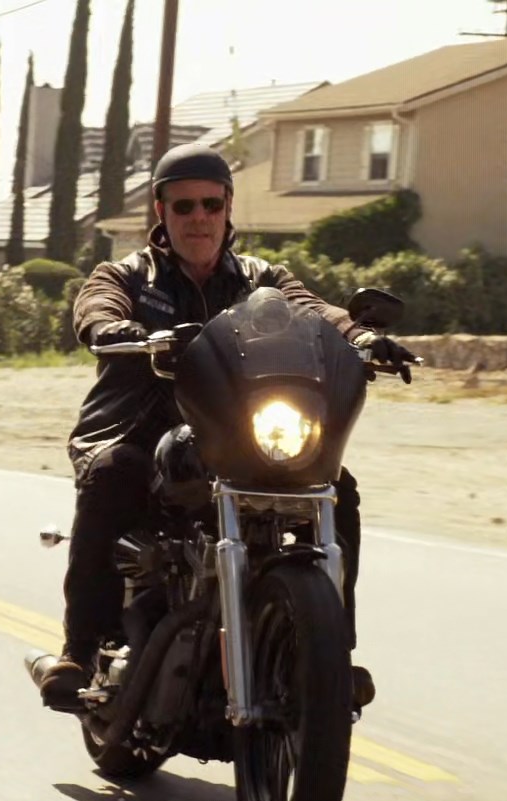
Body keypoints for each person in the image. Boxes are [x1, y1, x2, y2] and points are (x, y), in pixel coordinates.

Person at [37, 143, 415, 710]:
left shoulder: (261, 280)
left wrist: (361, 337)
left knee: (337, 489)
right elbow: (96, 305)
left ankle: (332, 653)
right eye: (184, 206)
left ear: (228, 207)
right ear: (160, 211)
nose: (199, 218)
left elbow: (312, 309)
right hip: (140, 429)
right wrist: (112, 328)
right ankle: (80, 648)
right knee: (114, 474)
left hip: (235, 433)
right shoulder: (128, 275)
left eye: (211, 204)